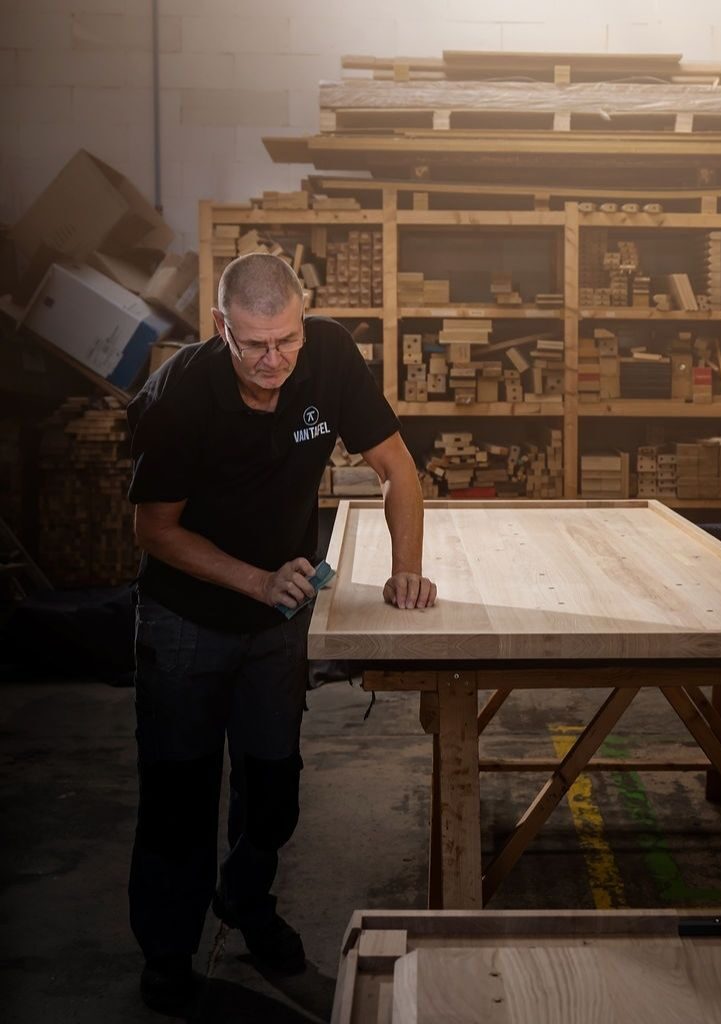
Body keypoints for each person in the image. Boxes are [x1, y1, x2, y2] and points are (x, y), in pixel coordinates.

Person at [126, 252, 436, 1013]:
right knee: (180, 795)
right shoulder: (176, 399)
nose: (274, 361)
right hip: (187, 620)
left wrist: (407, 569)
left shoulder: (327, 354)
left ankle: (246, 901)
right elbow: (154, 531)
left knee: (272, 783)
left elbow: (399, 469)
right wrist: (259, 581)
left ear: (304, 319)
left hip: (278, 621)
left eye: (287, 340)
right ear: (221, 327)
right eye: (255, 343)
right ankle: (167, 956)